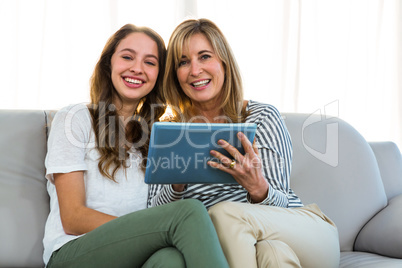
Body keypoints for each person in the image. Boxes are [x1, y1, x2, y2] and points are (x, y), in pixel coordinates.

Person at [149, 18, 340, 268]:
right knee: (272, 255)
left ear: (224, 64)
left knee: (223, 214)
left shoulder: (261, 117)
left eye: (205, 56)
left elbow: (281, 204)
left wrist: (258, 188)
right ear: (175, 74)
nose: (194, 70)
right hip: (258, 248)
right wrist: (176, 185)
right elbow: (154, 215)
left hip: (303, 231)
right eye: (183, 62)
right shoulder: (171, 132)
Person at [42, 23, 229, 268]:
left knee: (170, 260)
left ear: (158, 76)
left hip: (135, 255)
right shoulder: (74, 118)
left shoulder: (157, 137)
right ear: (109, 63)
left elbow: (161, 208)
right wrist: (148, 229)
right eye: (128, 57)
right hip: (72, 253)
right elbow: (73, 218)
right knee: (188, 211)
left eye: (150, 62)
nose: (137, 68)